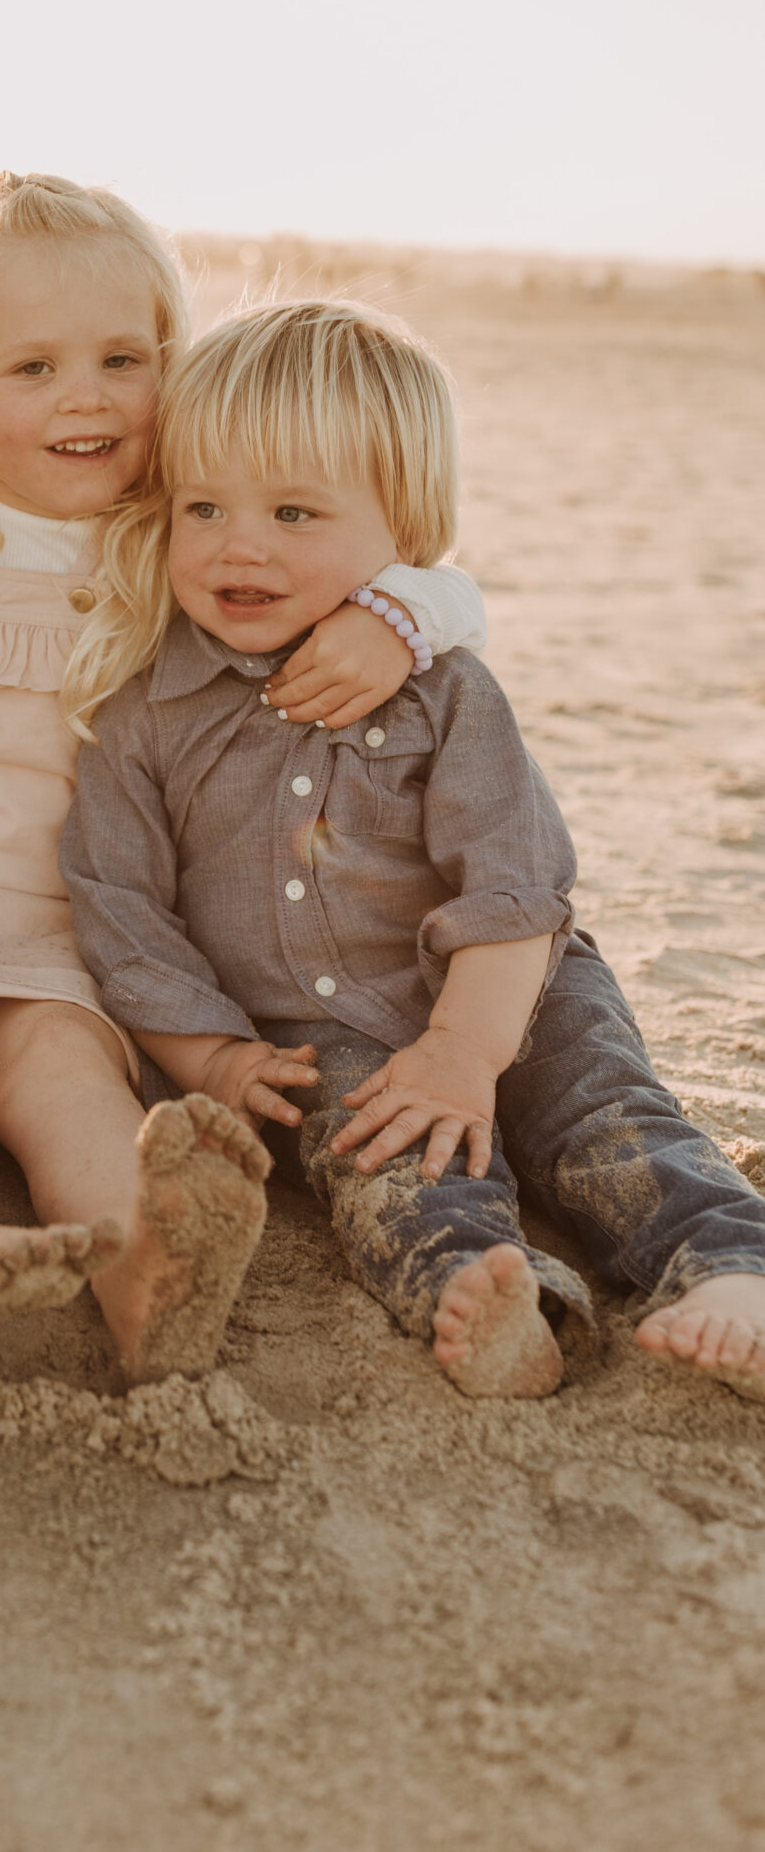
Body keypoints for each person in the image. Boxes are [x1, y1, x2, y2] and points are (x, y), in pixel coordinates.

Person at [0, 177, 486, 1387]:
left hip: (80, 917)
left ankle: (141, 1275)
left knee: (64, 1080)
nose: (84, 395)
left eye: (120, 358)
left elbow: (428, 567)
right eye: (31, 368)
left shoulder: (183, 532)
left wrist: (405, 618)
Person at [61, 298, 765, 1400]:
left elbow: (517, 886)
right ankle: (491, 1297)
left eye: (294, 512)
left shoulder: (443, 691)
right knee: (387, 1166)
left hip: (509, 994)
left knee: (606, 1115)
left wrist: (466, 1051)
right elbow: (122, 910)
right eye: (202, 505)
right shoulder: (147, 716)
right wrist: (215, 1059)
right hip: (321, 1039)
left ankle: (729, 1266)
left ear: (405, 529)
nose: (238, 543)